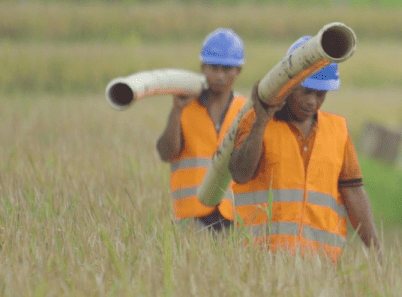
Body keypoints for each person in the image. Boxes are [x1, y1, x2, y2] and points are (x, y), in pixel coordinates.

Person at [228, 36, 380, 261]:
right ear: (287, 84)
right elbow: (240, 174)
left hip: (319, 265)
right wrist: (261, 121)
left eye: (321, 94)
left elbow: (353, 192)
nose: (313, 102)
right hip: (259, 262)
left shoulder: (337, 130)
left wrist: (376, 251)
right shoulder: (254, 121)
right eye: (306, 91)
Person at [157, 28, 248, 231]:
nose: (219, 75)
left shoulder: (245, 110)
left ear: (238, 70)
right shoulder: (185, 107)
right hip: (192, 219)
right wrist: (176, 110)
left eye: (227, 69)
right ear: (202, 67)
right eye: (213, 68)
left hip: (233, 217)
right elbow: (167, 152)